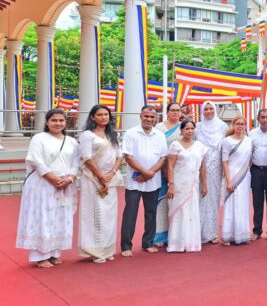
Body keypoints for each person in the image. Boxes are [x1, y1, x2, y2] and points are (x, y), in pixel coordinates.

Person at [16, 109, 79, 268]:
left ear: (65, 122)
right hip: (42, 183)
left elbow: (77, 163)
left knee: (60, 217)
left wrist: (70, 178)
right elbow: (35, 160)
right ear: (47, 122)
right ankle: (40, 255)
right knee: (42, 216)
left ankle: (54, 253)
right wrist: (53, 178)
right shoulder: (39, 138)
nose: (58, 123)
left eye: (61, 120)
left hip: (65, 184)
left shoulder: (71, 141)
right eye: (54, 120)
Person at [120, 105, 168, 257]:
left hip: (153, 181)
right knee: (130, 213)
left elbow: (163, 157)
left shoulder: (160, 135)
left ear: (156, 119)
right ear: (140, 116)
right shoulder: (131, 133)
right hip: (135, 181)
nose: (149, 119)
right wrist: (144, 172)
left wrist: (151, 173)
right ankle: (126, 246)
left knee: (151, 213)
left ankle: (148, 243)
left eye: (152, 117)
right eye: (146, 116)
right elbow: (128, 157)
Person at [78, 105, 123, 264]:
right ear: (92, 117)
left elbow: (119, 156)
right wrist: (100, 176)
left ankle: (108, 249)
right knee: (95, 214)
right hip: (92, 178)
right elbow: (87, 157)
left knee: (110, 215)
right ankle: (95, 251)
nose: (104, 117)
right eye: (100, 114)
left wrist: (111, 174)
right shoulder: (86, 135)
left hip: (110, 178)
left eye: (106, 114)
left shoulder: (112, 135)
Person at [166, 120, 208, 253]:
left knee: (191, 211)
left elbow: (202, 166)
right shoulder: (175, 145)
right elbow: (170, 166)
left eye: (192, 128)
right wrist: (171, 184)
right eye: (187, 129)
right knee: (179, 211)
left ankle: (191, 243)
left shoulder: (199, 146)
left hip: (193, 185)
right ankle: (176, 244)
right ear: (181, 130)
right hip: (179, 184)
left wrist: (204, 184)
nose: (189, 131)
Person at [196, 100, 228, 244]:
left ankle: (212, 233)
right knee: (200, 197)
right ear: (202, 111)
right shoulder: (197, 127)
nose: (209, 111)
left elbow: (227, 147)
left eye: (211, 109)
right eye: (206, 109)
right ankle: (198, 232)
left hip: (216, 169)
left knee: (213, 198)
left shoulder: (223, 127)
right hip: (199, 167)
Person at [221, 117, 253, 245]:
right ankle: (228, 235)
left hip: (244, 177)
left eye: (243, 124)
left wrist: (245, 171)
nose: (240, 126)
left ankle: (242, 233)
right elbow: (224, 161)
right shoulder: (226, 141)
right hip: (231, 177)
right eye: (238, 124)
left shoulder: (249, 141)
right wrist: (229, 181)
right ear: (233, 125)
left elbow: (250, 160)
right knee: (231, 205)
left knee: (243, 205)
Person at [154, 102, 182, 247]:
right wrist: (164, 170)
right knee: (162, 203)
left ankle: (176, 234)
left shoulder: (184, 127)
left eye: (178, 110)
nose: (175, 113)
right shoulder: (159, 128)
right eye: (173, 110)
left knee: (178, 203)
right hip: (161, 168)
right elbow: (157, 148)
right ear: (167, 112)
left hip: (180, 171)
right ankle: (160, 236)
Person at [249, 109, 267, 241]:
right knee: (257, 202)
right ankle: (257, 230)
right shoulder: (252, 133)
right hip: (256, 171)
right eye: (263, 117)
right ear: (258, 118)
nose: (265, 120)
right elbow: (248, 153)